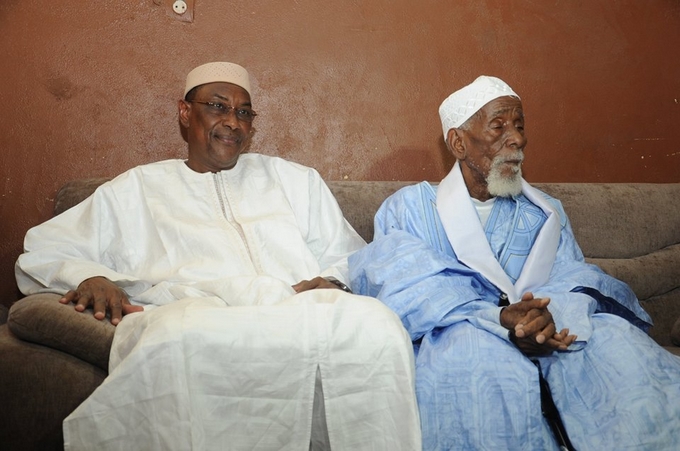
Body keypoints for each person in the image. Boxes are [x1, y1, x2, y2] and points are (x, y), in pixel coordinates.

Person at [15, 62, 421, 451]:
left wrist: (333, 280)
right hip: (195, 309)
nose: (233, 121)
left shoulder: (295, 180)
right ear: (184, 112)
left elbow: (349, 254)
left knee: (377, 324)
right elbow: (46, 248)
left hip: (298, 308)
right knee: (178, 338)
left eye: (244, 112)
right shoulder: (137, 188)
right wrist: (90, 276)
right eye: (218, 107)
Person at [348, 75, 680, 450]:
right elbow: (402, 280)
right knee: (477, 361)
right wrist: (498, 319)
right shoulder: (408, 207)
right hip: (460, 329)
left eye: (520, 126)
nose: (517, 139)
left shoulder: (545, 213)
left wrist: (545, 320)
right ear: (459, 142)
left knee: (619, 345)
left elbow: (571, 274)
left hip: (552, 324)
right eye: (499, 126)